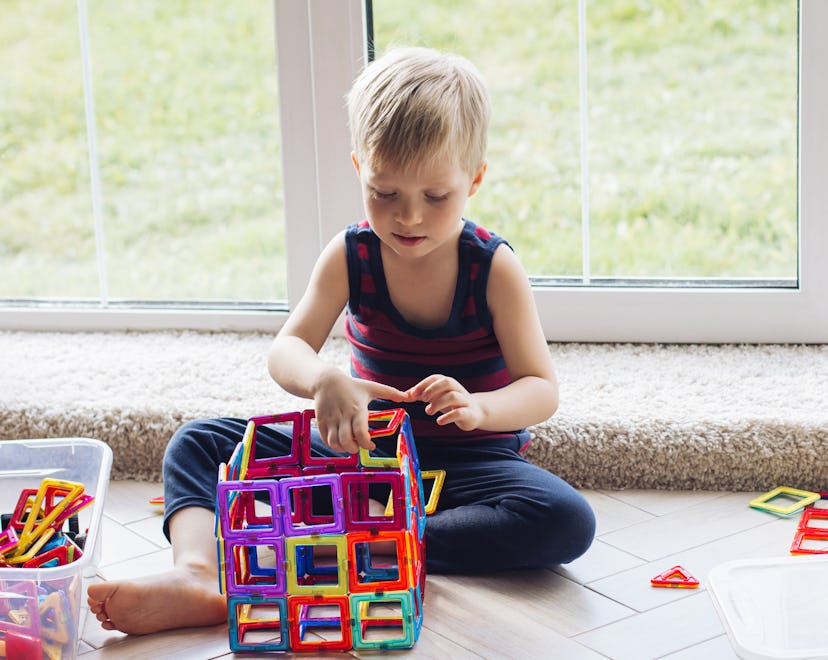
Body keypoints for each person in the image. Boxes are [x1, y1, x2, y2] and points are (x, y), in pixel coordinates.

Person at [87, 45, 595, 636]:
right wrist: (323, 378)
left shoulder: (493, 268)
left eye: (435, 197)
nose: (408, 217)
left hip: (470, 462)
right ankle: (199, 573)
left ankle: (350, 550)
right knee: (198, 442)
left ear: (474, 179)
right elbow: (288, 348)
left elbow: (541, 388)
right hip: (361, 454)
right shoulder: (351, 255)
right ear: (360, 169)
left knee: (564, 520)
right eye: (384, 193)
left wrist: (481, 408)